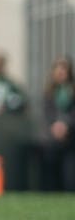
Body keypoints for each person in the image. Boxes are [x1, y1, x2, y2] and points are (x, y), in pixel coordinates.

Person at [36, 56, 75, 191]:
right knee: (50, 175)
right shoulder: (49, 92)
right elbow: (46, 114)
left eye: (64, 68)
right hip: (51, 140)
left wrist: (66, 125)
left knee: (70, 177)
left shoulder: (72, 90)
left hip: (71, 140)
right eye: (58, 68)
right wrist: (55, 126)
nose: (61, 72)